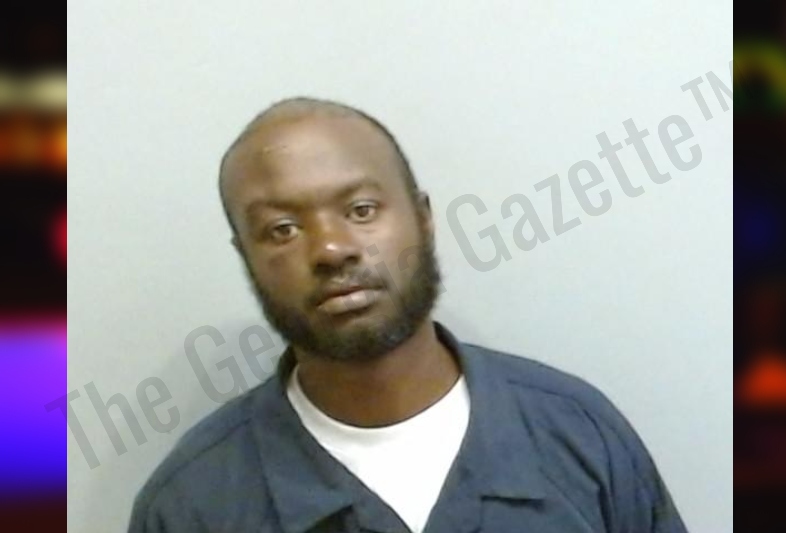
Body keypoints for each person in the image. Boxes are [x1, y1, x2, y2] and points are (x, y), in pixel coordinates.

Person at [128, 97, 688, 532]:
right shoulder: (192, 504)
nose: (331, 249)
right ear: (246, 256)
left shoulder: (579, 435)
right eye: (282, 229)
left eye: (361, 209)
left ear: (423, 218)